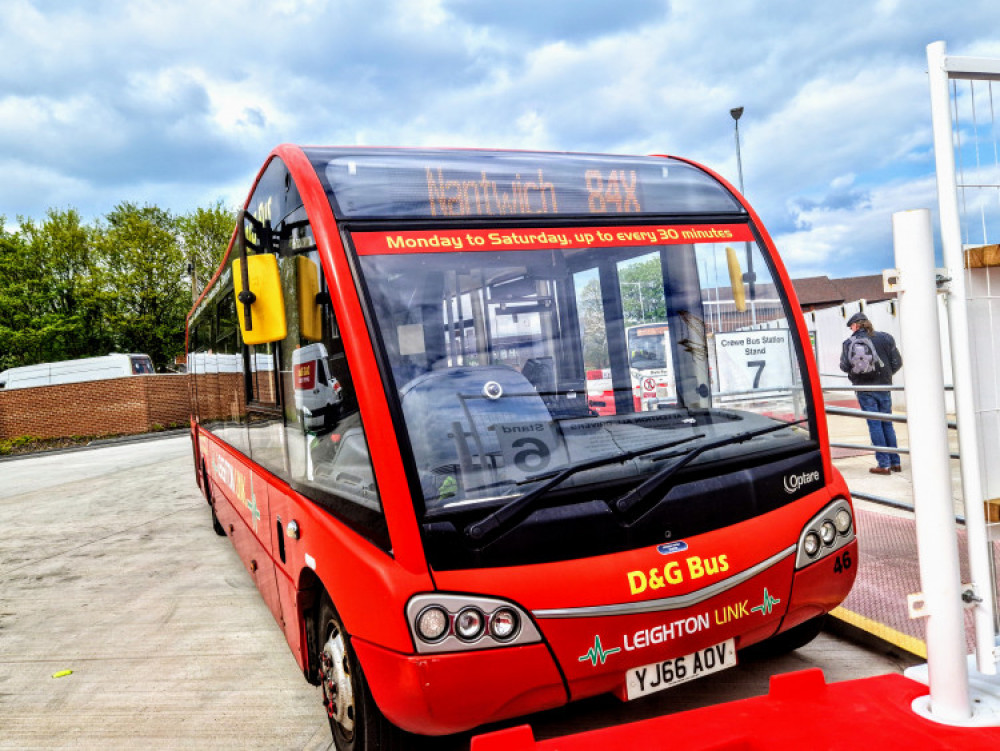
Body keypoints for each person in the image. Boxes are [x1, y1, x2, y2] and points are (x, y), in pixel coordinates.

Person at [839, 312, 903, 475]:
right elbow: (897, 362)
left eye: (851, 327)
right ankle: (895, 462)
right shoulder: (886, 338)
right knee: (887, 423)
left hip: (864, 389)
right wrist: (886, 376)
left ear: (855, 326)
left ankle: (883, 464)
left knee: (875, 424)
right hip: (884, 387)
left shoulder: (848, 343)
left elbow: (844, 366)